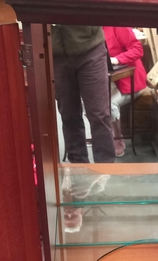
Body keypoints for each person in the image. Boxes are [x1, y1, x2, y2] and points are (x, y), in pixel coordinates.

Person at [52, 25, 115, 163]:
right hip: (56, 54)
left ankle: (106, 171)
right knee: (68, 116)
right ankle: (78, 172)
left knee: (99, 115)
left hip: (90, 49)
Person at [103, 27, 147, 157]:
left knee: (109, 104)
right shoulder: (90, 27)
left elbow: (137, 50)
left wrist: (115, 60)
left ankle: (117, 137)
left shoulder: (117, 25)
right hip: (108, 80)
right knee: (87, 100)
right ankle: (103, 132)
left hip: (129, 81)